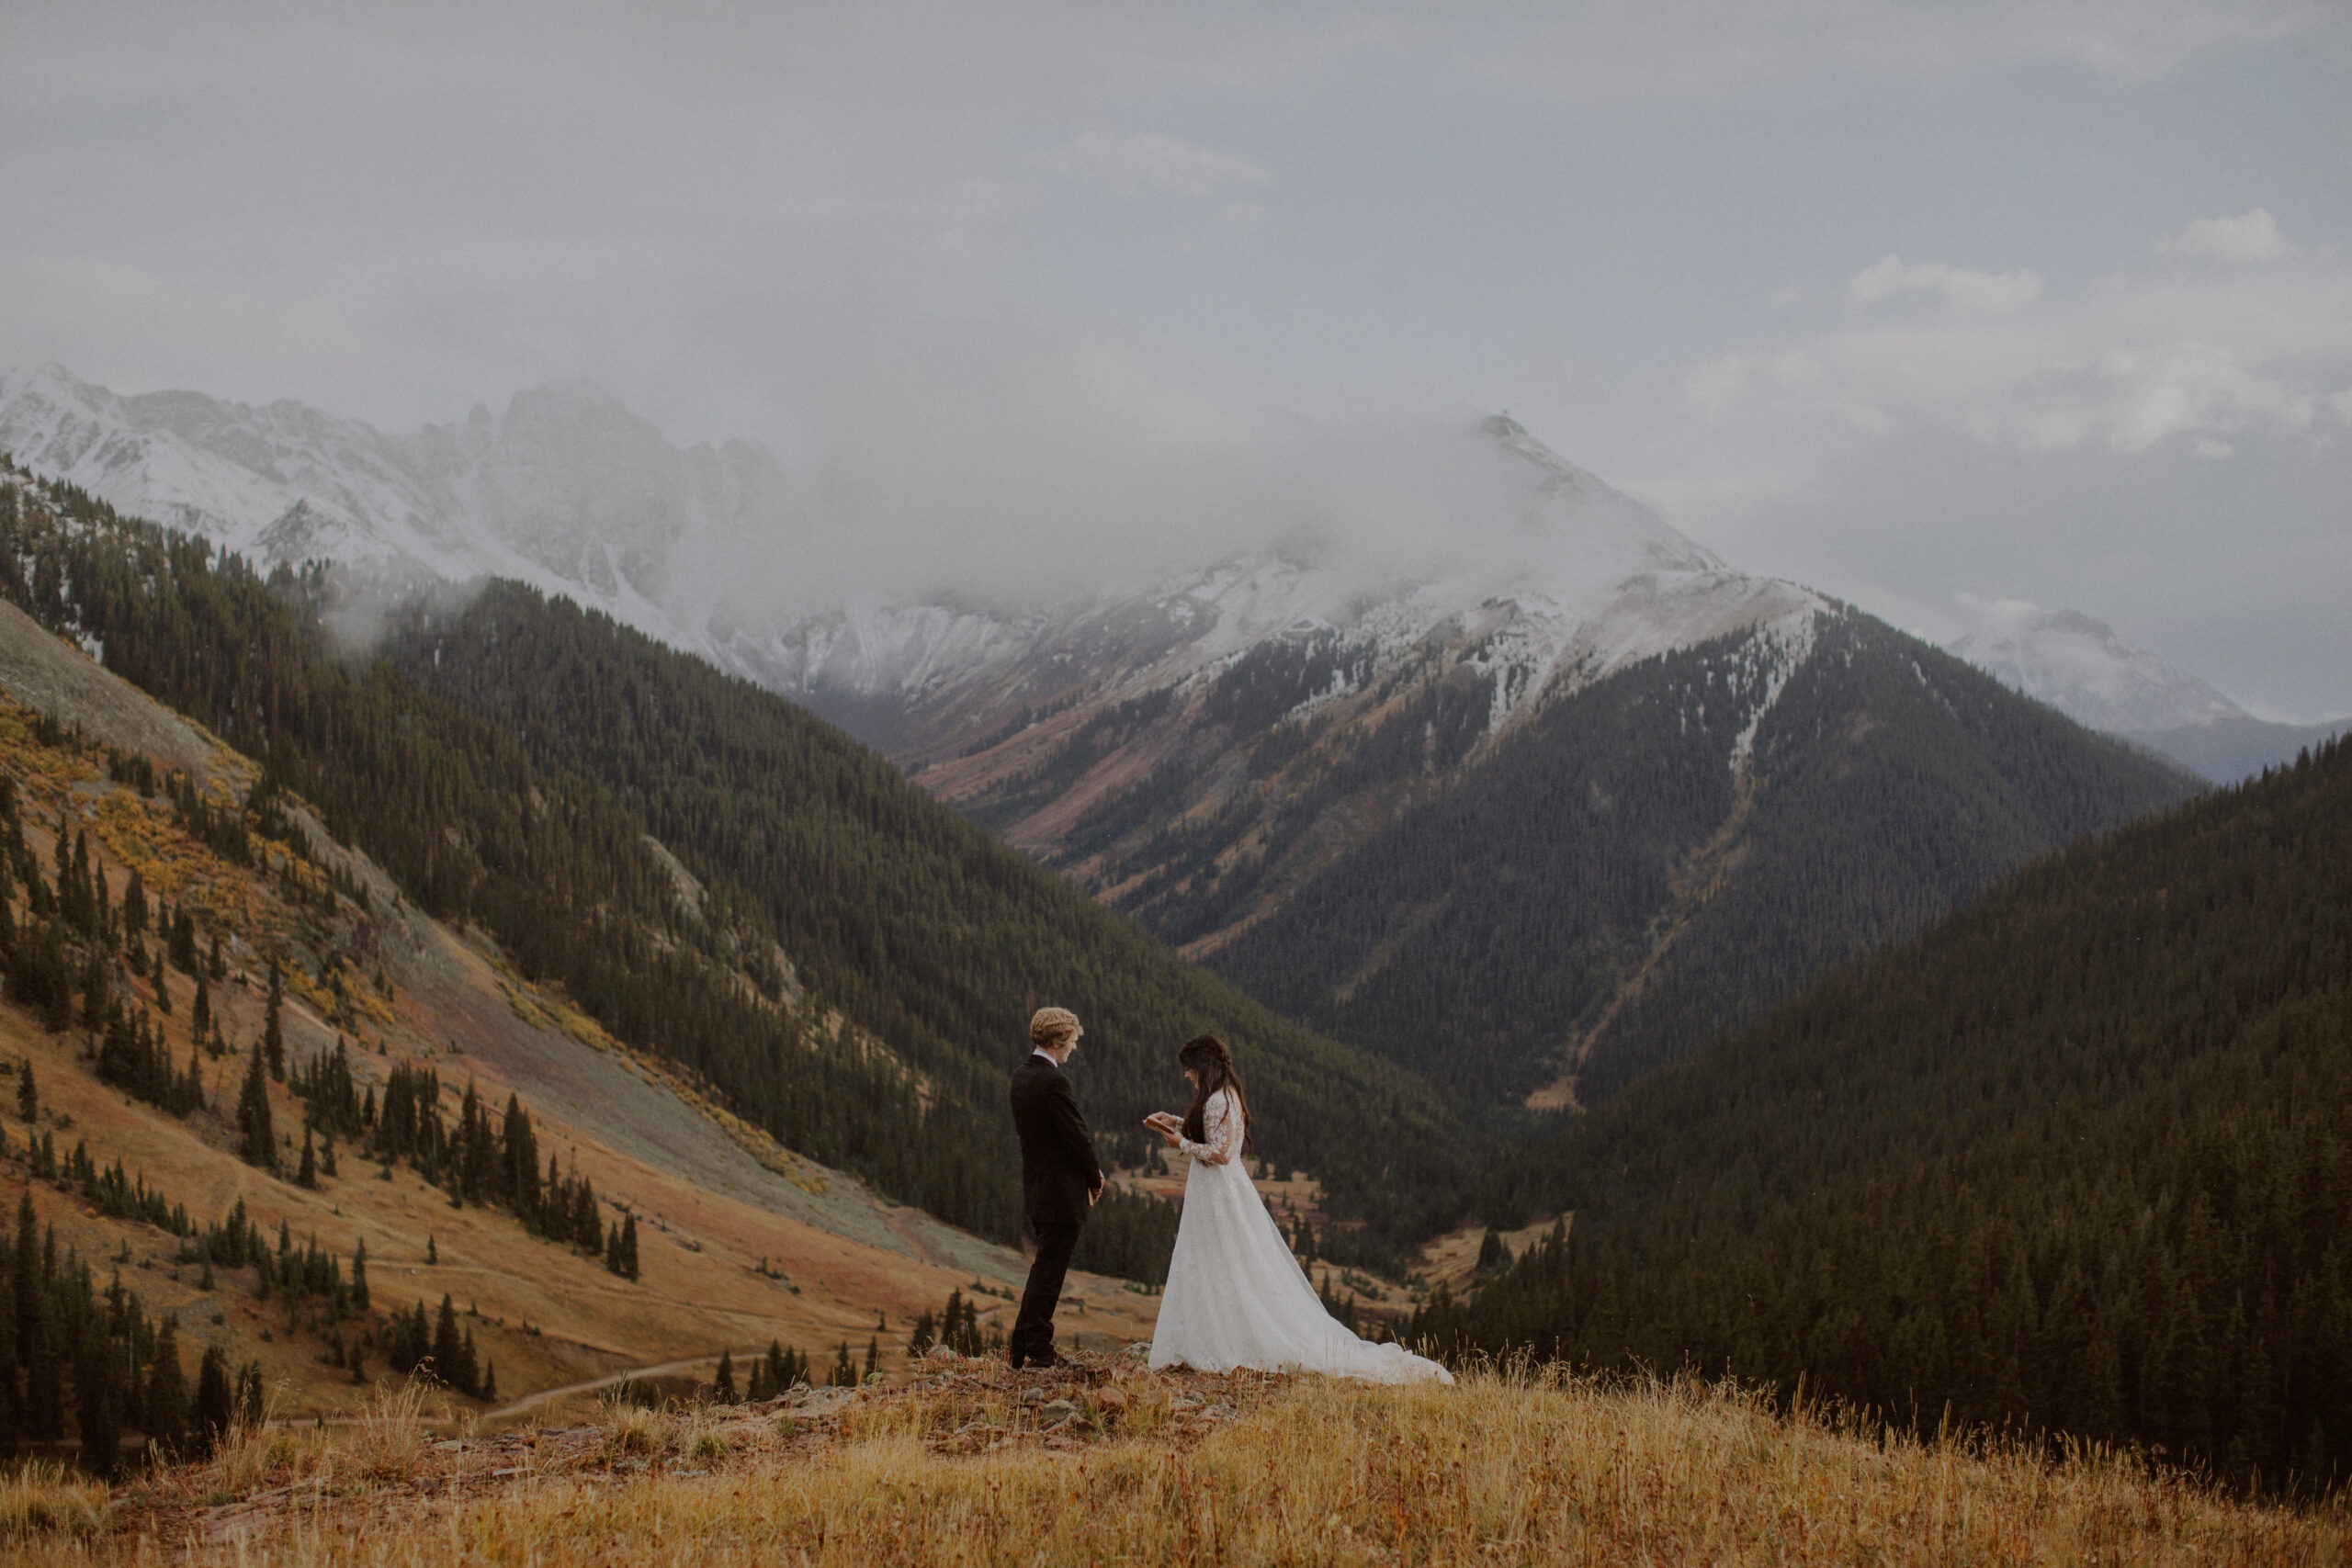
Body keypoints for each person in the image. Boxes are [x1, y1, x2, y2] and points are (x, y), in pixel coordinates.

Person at [1145, 1033, 1452, 1384]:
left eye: (1188, 1068)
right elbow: (1213, 1135)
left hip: (1218, 1194)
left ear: (1202, 1066)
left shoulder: (1218, 1100)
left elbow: (1222, 1153)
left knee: (1219, 1259)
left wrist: (1180, 1142)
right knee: (1222, 1261)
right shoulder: (1225, 1096)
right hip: (1218, 1193)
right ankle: (1213, 1335)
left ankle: (1217, 1338)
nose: (1186, 1075)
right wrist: (1174, 1121)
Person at [1007, 1005, 1103, 1369]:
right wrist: (1095, 1178)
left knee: (1042, 1269)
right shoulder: (1054, 1080)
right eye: (1074, 1040)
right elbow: (1076, 1137)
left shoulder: (1021, 1075)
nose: (1075, 1047)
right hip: (1061, 1192)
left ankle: (1021, 1345)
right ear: (1060, 1039)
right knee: (1050, 1273)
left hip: (1037, 1187)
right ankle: (1039, 1349)